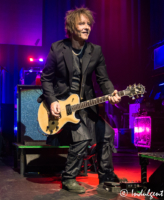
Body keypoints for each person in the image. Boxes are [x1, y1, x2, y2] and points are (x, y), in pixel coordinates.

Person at [39, 7, 121, 193]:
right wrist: (52, 101)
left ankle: (106, 176)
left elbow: (103, 79)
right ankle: (68, 177)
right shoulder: (58, 48)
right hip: (63, 109)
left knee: (107, 133)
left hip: (85, 106)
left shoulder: (96, 51)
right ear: (71, 27)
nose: (87, 27)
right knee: (82, 137)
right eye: (82, 24)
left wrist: (111, 92)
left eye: (88, 24)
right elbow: (46, 78)